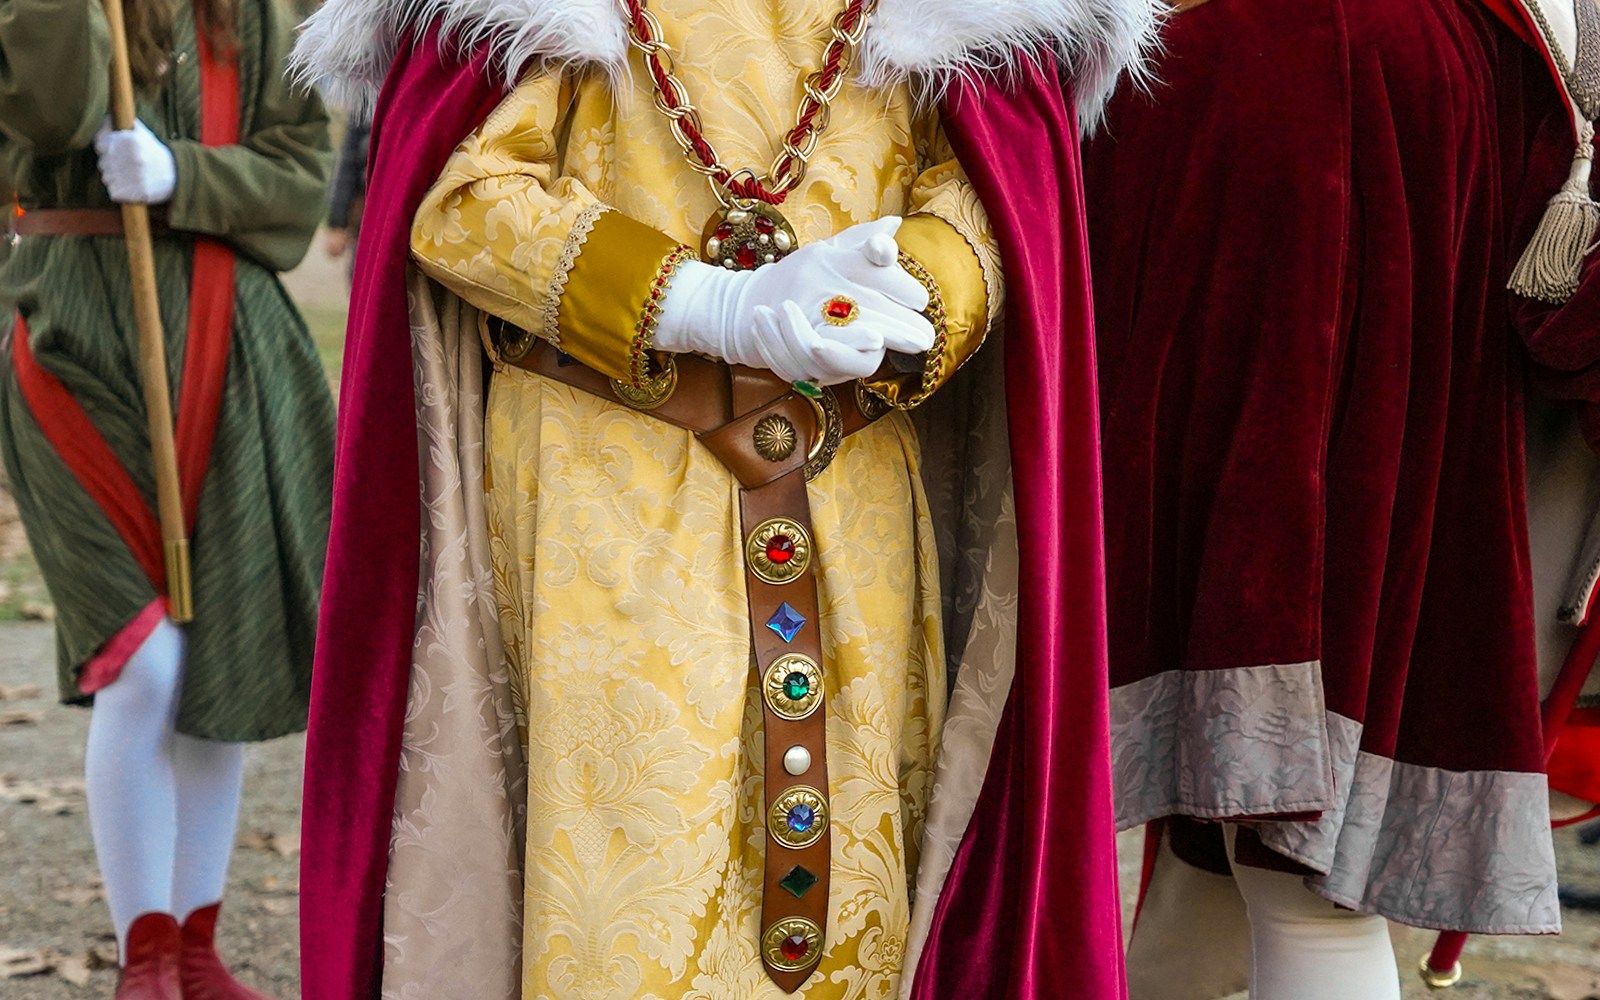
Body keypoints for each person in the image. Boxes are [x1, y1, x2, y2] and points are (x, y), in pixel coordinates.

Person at [289, 0, 1155, 997]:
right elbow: (466, 200)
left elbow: (996, 193)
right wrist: (708, 305)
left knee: (845, 918)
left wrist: (909, 286)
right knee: (627, 899)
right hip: (604, 498)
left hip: (853, 498)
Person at [1082, 0, 1600, 997]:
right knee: (1234, 874)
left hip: (1329, 550)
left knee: (1297, 886)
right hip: (1425, 530)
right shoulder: (1466, 44)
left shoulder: (1267, 46)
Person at [0, 0, 334, 997]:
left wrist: (184, 174)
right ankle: (145, 955)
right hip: (70, 336)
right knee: (144, 662)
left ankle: (196, 948)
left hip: (232, 355)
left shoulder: (265, 12)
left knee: (211, 669)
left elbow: (300, 181)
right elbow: (49, 115)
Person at [321, 110, 368, 281]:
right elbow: (348, 163)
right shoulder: (366, 98)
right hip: (369, 209)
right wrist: (337, 223)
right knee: (361, 278)